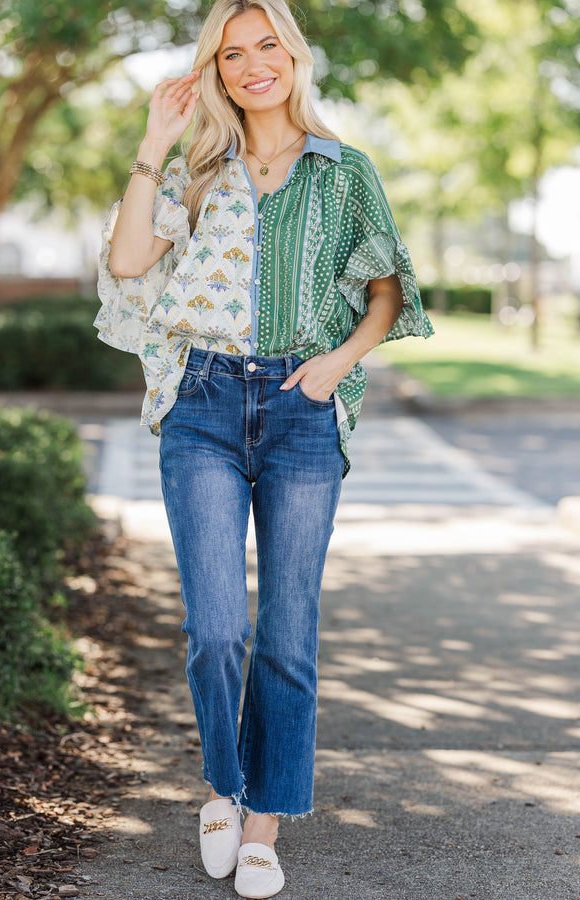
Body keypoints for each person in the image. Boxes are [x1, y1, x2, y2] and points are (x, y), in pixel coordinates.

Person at [95, 0, 433, 896]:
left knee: (287, 633)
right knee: (215, 631)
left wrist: (336, 364)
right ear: (216, 70)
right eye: (233, 52)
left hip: (300, 409)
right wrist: (154, 141)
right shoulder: (200, 171)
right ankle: (222, 783)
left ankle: (264, 824)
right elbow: (130, 262)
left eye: (267, 45)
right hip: (202, 404)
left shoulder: (342, 169)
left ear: (294, 54)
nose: (254, 65)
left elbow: (387, 292)